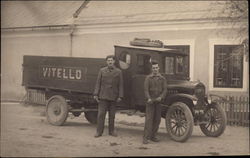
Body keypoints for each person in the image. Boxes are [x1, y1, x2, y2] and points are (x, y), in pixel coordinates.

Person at [93, 55, 124, 138]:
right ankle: (99, 132)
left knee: (112, 115)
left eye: (111, 60)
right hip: (103, 96)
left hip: (113, 96)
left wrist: (120, 96)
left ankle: (111, 131)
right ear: (106, 62)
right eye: (108, 60)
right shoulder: (102, 71)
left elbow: (120, 85)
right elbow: (98, 83)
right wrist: (96, 94)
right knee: (101, 114)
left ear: (114, 61)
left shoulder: (118, 72)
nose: (110, 62)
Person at [143, 60, 167, 144]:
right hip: (150, 102)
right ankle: (145, 138)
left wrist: (161, 97)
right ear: (151, 69)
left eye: (156, 68)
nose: (155, 69)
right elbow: (146, 90)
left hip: (158, 102)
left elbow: (165, 90)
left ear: (159, 68)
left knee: (157, 120)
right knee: (149, 120)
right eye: (154, 68)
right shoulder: (148, 78)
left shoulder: (162, 78)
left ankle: (153, 136)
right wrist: (148, 98)